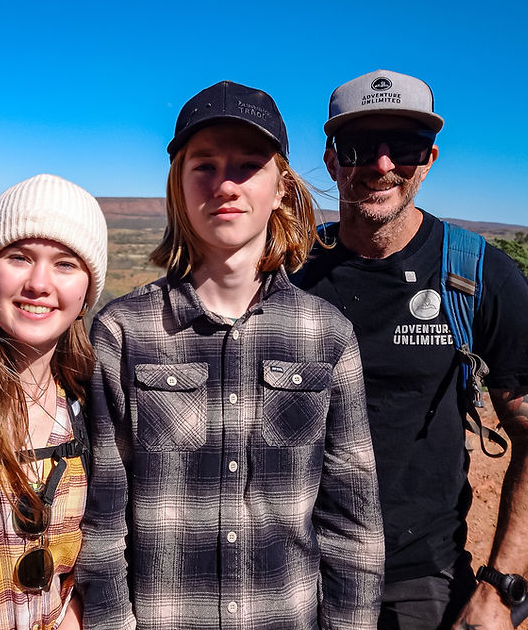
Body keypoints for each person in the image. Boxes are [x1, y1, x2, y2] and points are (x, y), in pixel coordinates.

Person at [76, 81, 384, 630]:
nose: (225, 184)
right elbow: (104, 521)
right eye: (205, 165)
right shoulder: (125, 332)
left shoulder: (326, 334)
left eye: (247, 166)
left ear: (281, 188)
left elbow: (352, 522)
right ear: (179, 185)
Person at [293, 69, 528, 630]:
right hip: (291, 573)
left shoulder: (475, 274)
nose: (383, 164)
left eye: (407, 146)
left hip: (419, 580)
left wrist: (499, 591)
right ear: (331, 158)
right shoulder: (289, 273)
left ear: (430, 159)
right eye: (362, 144)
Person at [0, 174, 108, 630]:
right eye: (19, 258)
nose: (39, 283)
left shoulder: (89, 408)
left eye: (65, 264)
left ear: (86, 293)